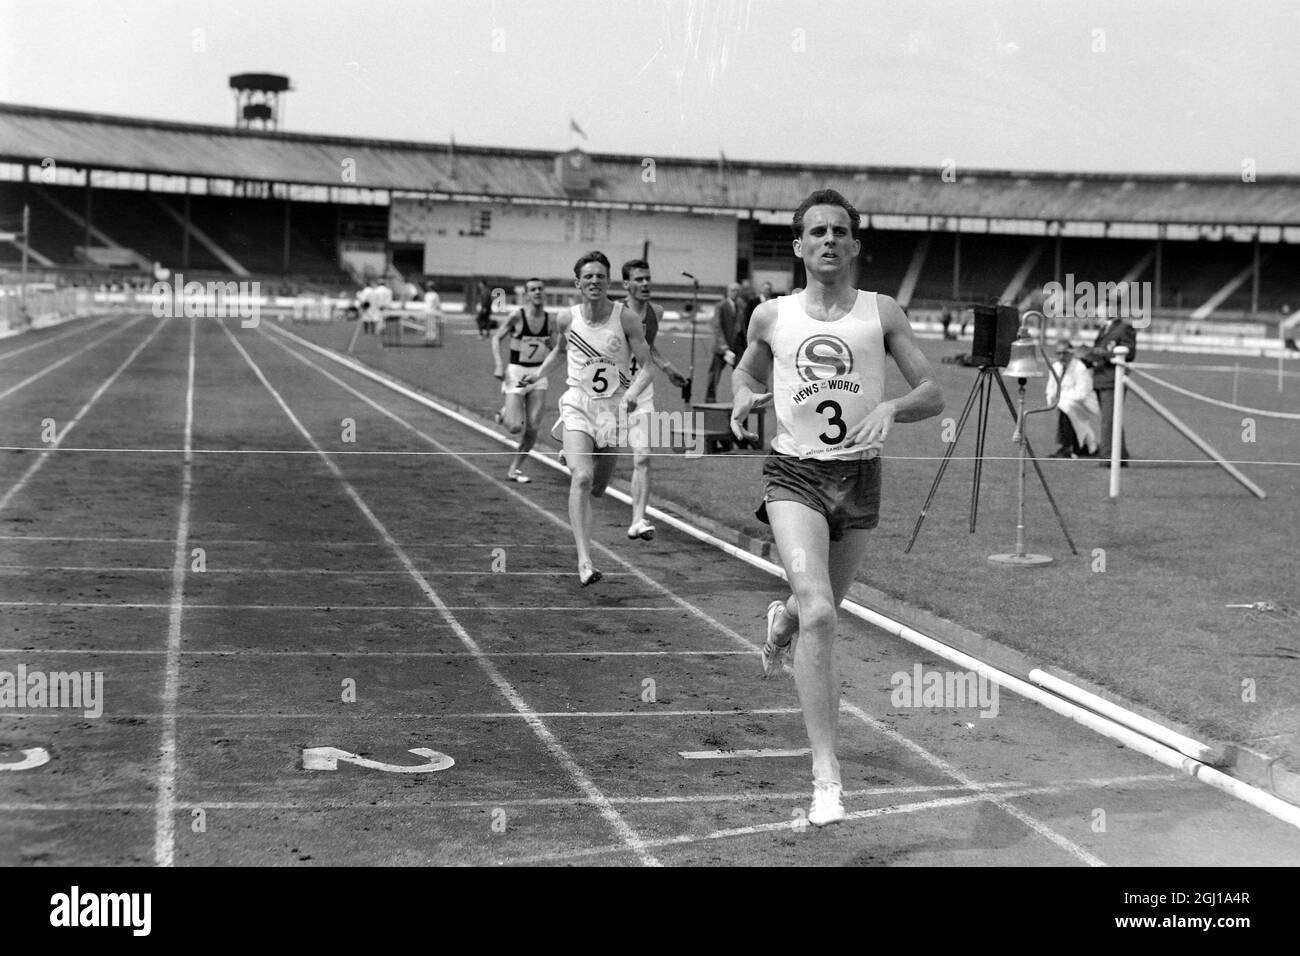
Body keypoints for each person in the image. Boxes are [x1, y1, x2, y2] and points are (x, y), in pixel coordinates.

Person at [729, 189, 944, 827]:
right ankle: (827, 778)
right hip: (794, 474)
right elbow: (744, 375)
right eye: (816, 231)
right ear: (798, 245)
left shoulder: (881, 313)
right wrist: (744, 397)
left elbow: (932, 391)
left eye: (839, 232)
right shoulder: (770, 316)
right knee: (822, 612)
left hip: (859, 478)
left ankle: (780, 619)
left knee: (815, 607)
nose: (828, 240)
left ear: (854, 245)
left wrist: (891, 408)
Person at [518, 251, 654, 585]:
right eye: (588, 276)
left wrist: (633, 395)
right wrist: (537, 376)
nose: (595, 281)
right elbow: (560, 352)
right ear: (578, 283)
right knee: (581, 478)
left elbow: (648, 366)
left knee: (597, 488)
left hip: (612, 410)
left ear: (609, 281)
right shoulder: (566, 319)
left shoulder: (626, 319)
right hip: (578, 405)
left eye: (600, 276)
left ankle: (575, 451)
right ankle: (584, 561)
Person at [620, 258, 689, 540]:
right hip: (611, 392)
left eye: (648, 278)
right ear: (626, 284)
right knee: (594, 470)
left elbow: (648, 347)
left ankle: (638, 519)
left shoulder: (655, 312)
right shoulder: (614, 314)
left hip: (642, 390)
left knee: (643, 456)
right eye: (639, 279)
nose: (645, 284)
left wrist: (668, 368)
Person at [490, 278, 556, 482]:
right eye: (533, 289)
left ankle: (514, 468)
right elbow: (495, 338)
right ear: (526, 294)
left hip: (537, 376)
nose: (537, 292)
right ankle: (504, 415)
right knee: (515, 427)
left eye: (540, 289)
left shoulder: (550, 320)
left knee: (534, 427)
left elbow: (556, 347)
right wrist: (499, 364)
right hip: (517, 373)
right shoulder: (516, 316)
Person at [1087, 312, 1137, 466]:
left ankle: (1108, 458)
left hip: (1112, 379)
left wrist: (1105, 354)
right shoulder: (1105, 328)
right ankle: (1120, 456)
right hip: (1102, 379)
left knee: (1109, 421)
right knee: (1112, 420)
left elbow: (1129, 353)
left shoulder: (1124, 328)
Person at [1046, 339, 1100, 458]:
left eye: (1064, 353)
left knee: (1067, 407)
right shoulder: (1055, 367)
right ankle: (1084, 447)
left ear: (1071, 353)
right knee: (1068, 410)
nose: (1061, 357)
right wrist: (1052, 402)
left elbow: (1081, 394)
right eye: (1058, 353)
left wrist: (1060, 399)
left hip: (1085, 404)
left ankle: (1066, 446)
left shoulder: (1080, 368)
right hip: (1066, 402)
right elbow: (1051, 389)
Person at [705, 283, 742, 402]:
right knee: (714, 375)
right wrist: (724, 347)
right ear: (727, 292)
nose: (734, 293)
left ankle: (740, 400)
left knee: (741, 375)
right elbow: (716, 327)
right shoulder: (721, 306)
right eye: (732, 290)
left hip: (735, 347)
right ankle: (710, 400)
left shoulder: (739, 306)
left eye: (736, 291)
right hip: (722, 349)